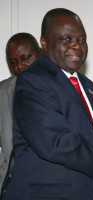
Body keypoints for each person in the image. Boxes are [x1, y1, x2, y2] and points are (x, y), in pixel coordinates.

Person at [3, 8, 93, 200]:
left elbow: (92, 145)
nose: (77, 46)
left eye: (82, 40)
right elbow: (57, 143)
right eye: (66, 39)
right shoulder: (33, 80)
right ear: (44, 42)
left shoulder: (89, 87)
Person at [0, 32, 42, 196]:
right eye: (13, 62)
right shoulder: (2, 92)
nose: (20, 67)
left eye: (25, 58)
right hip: (11, 186)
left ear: (39, 54)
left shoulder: (60, 87)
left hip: (49, 187)